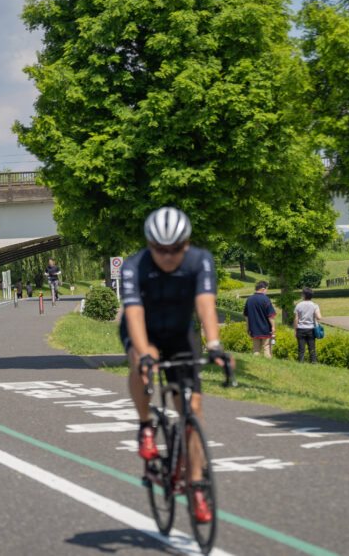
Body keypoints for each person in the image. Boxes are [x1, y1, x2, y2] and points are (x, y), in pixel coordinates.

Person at [120, 206, 224, 524]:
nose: (168, 256)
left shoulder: (200, 260)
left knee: (193, 411)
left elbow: (205, 304)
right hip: (144, 331)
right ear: (149, 246)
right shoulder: (134, 266)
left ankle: (196, 486)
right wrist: (145, 354)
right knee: (142, 358)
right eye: (160, 250)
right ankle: (145, 426)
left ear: (187, 243)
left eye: (175, 249)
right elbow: (134, 312)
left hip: (180, 334)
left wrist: (215, 344)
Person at [243, 281, 276, 357]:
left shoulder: (249, 299)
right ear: (263, 289)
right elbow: (270, 315)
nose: (267, 291)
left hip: (254, 329)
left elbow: (246, 316)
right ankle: (268, 365)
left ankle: (256, 363)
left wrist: (248, 327)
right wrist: (273, 327)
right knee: (267, 348)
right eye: (267, 289)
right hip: (266, 329)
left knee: (256, 349)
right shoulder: (266, 299)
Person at [292, 287, 322, 363]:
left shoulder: (298, 305)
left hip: (301, 329)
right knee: (312, 348)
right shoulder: (315, 305)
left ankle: (301, 362)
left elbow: (296, 319)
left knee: (301, 349)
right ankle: (313, 362)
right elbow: (319, 317)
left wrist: (295, 330)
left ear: (304, 296)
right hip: (311, 329)